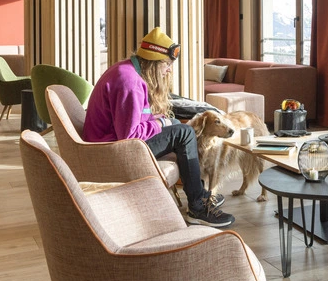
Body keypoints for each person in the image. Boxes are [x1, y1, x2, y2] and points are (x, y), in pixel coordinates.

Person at [83, 27, 234, 227]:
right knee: (185, 133)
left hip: (110, 142)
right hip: (112, 151)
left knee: (178, 126)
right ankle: (197, 206)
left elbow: (132, 118)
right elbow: (129, 135)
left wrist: (158, 120)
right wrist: (160, 123)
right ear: (154, 62)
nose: (169, 70)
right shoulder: (130, 83)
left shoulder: (127, 71)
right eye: (167, 64)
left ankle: (200, 195)